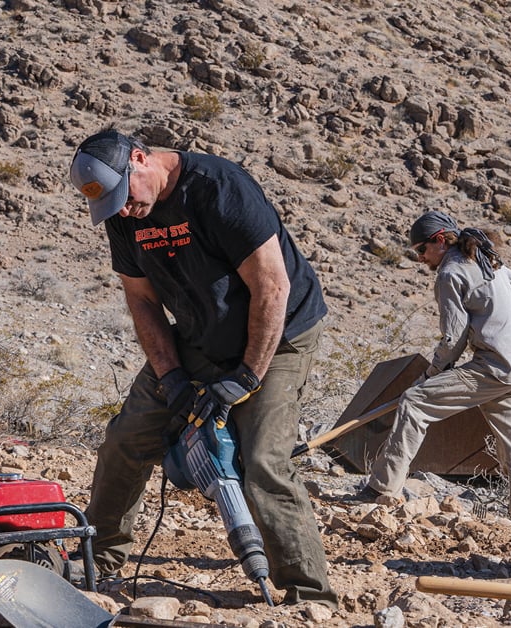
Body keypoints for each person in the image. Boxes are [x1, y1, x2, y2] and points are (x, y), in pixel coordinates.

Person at [66, 128, 337, 607]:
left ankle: (309, 595)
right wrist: (172, 379)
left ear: (139, 158)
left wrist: (247, 377)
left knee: (261, 461)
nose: (124, 211)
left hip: (278, 335)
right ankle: (98, 558)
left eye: (124, 197)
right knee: (127, 440)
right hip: (200, 334)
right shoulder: (122, 212)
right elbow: (142, 301)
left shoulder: (219, 188)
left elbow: (273, 288)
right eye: (112, 206)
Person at [357, 210, 511, 527]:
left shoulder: (450, 273)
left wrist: (431, 374)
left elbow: (453, 338)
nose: (420, 258)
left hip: (493, 369)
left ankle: (381, 489)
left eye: (421, 249)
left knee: (414, 402)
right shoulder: (486, 259)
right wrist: (510, 335)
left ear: (440, 240)